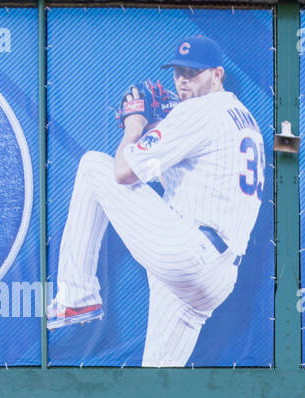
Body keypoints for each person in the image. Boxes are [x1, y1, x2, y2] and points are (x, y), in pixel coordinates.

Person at [46, 34, 264, 367]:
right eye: (178, 72)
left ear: (218, 74)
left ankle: (77, 296)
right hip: (215, 278)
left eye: (193, 73)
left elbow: (123, 171)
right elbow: (175, 173)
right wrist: (160, 125)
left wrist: (135, 127)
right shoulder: (242, 117)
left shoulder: (200, 112)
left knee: (93, 165)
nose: (183, 81)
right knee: (157, 378)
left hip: (189, 252)